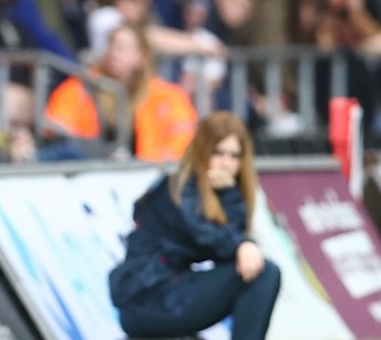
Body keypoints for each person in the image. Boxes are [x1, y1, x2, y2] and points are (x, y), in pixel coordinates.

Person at [110, 111, 280, 340]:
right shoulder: (176, 189)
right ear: (202, 151)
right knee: (264, 273)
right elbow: (208, 237)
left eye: (234, 156)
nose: (226, 163)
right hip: (148, 299)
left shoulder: (210, 192)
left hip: (168, 292)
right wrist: (243, 243)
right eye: (218, 153)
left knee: (256, 270)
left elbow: (227, 249)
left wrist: (231, 201)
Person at [44, 23, 199, 161]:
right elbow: (57, 124)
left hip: (147, 172)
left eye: (123, 48)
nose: (114, 53)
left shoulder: (167, 96)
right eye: (111, 45)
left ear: (141, 55)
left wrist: (156, 160)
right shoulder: (83, 86)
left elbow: (183, 138)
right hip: (92, 165)